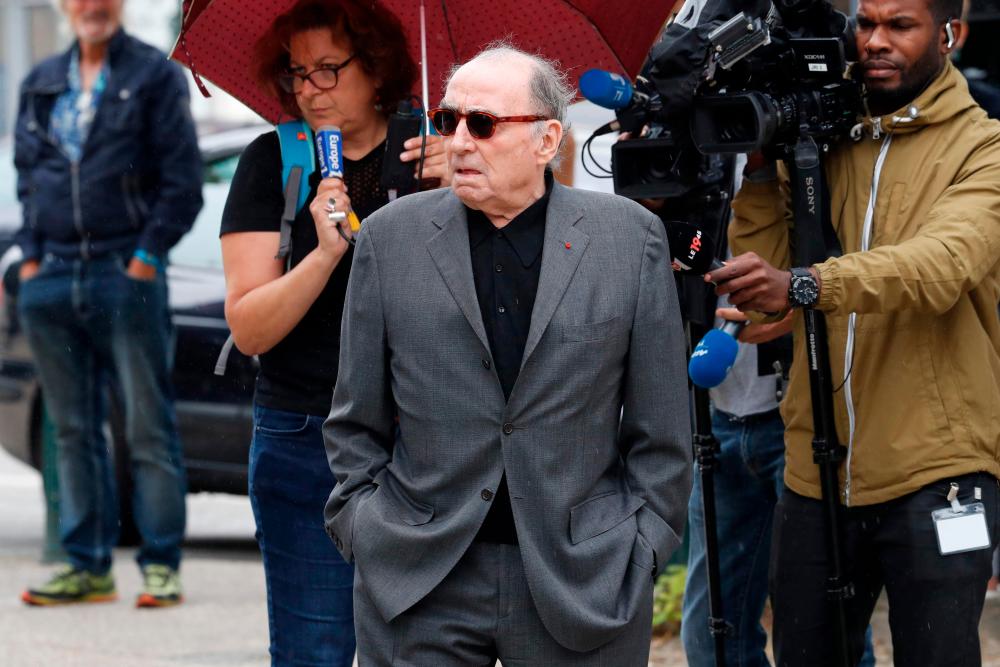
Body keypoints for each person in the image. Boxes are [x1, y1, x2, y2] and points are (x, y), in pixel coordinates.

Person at [323, 43, 692, 666]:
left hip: (583, 577)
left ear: (548, 140)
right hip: (419, 575)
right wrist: (364, 527)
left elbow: (662, 430)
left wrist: (642, 548)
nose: (460, 141)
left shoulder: (629, 240)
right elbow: (356, 415)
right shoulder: (390, 238)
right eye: (449, 120)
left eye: (484, 124)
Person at [707, 0, 1000, 663]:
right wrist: (758, 170)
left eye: (901, 26)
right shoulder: (825, 135)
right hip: (817, 468)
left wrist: (811, 284)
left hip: (940, 468)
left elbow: (942, 267)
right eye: (866, 24)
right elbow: (766, 294)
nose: (875, 41)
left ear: (949, 34)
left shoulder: (986, 146)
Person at [219, 1, 448, 664]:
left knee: (427, 647)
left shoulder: (436, 151)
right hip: (305, 432)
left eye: (328, 70)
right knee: (313, 647)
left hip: (430, 437)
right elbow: (250, 326)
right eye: (296, 74)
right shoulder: (276, 160)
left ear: (376, 69)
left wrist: (466, 195)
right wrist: (322, 252)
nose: (309, 90)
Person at [14, 0, 202, 607]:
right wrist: (31, 254)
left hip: (125, 268)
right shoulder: (40, 81)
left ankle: (160, 566)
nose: (93, 5)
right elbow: (28, 176)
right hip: (54, 275)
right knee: (71, 431)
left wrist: (146, 256)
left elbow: (182, 182)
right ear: (64, 5)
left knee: (148, 424)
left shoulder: (153, 74)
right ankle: (86, 565)